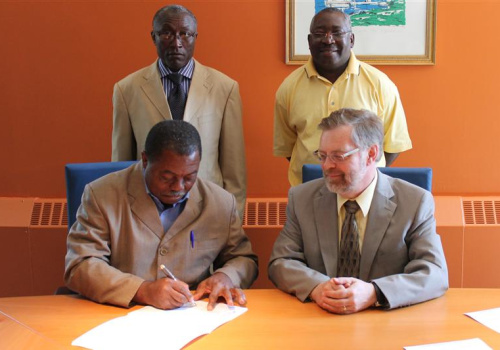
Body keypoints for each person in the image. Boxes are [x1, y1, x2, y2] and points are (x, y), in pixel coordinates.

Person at [268, 108, 447, 314]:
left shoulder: (415, 202)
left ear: (371, 154)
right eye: (322, 155)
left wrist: (374, 293)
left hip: (385, 320)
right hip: (320, 317)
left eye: (338, 156)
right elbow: (281, 262)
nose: (327, 166)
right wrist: (318, 287)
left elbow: (435, 273)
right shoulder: (301, 199)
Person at [66, 120, 258, 310]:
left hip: (192, 315)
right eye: (167, 178)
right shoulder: (102, 194)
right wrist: (142, 290)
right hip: (120, 311)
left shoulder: (220, 203)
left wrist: (226, 276)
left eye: (189, 177)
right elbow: (80, 264)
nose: (178, 187)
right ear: (145, 160)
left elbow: (243, 259)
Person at [112, 5, 247, 218]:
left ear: (195, 37)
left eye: (185, 34)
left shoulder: (225, 88)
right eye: (167, 33)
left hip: (208, 208)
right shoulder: (127, 90)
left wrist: (232, 220)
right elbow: (121, 166)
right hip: (147, 210)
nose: (177, 43)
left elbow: (234, 171)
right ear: (153, 37)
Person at [274, 8, 412, 186]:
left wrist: (361, 175)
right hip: (308, 192)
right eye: (319, 33)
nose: (328, 39)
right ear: (309, 41)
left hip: (365, 192)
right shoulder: (289, 88)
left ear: (351, 39)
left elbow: (393, 146)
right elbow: (289, 149)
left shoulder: (379, 84)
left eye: (337, 32)